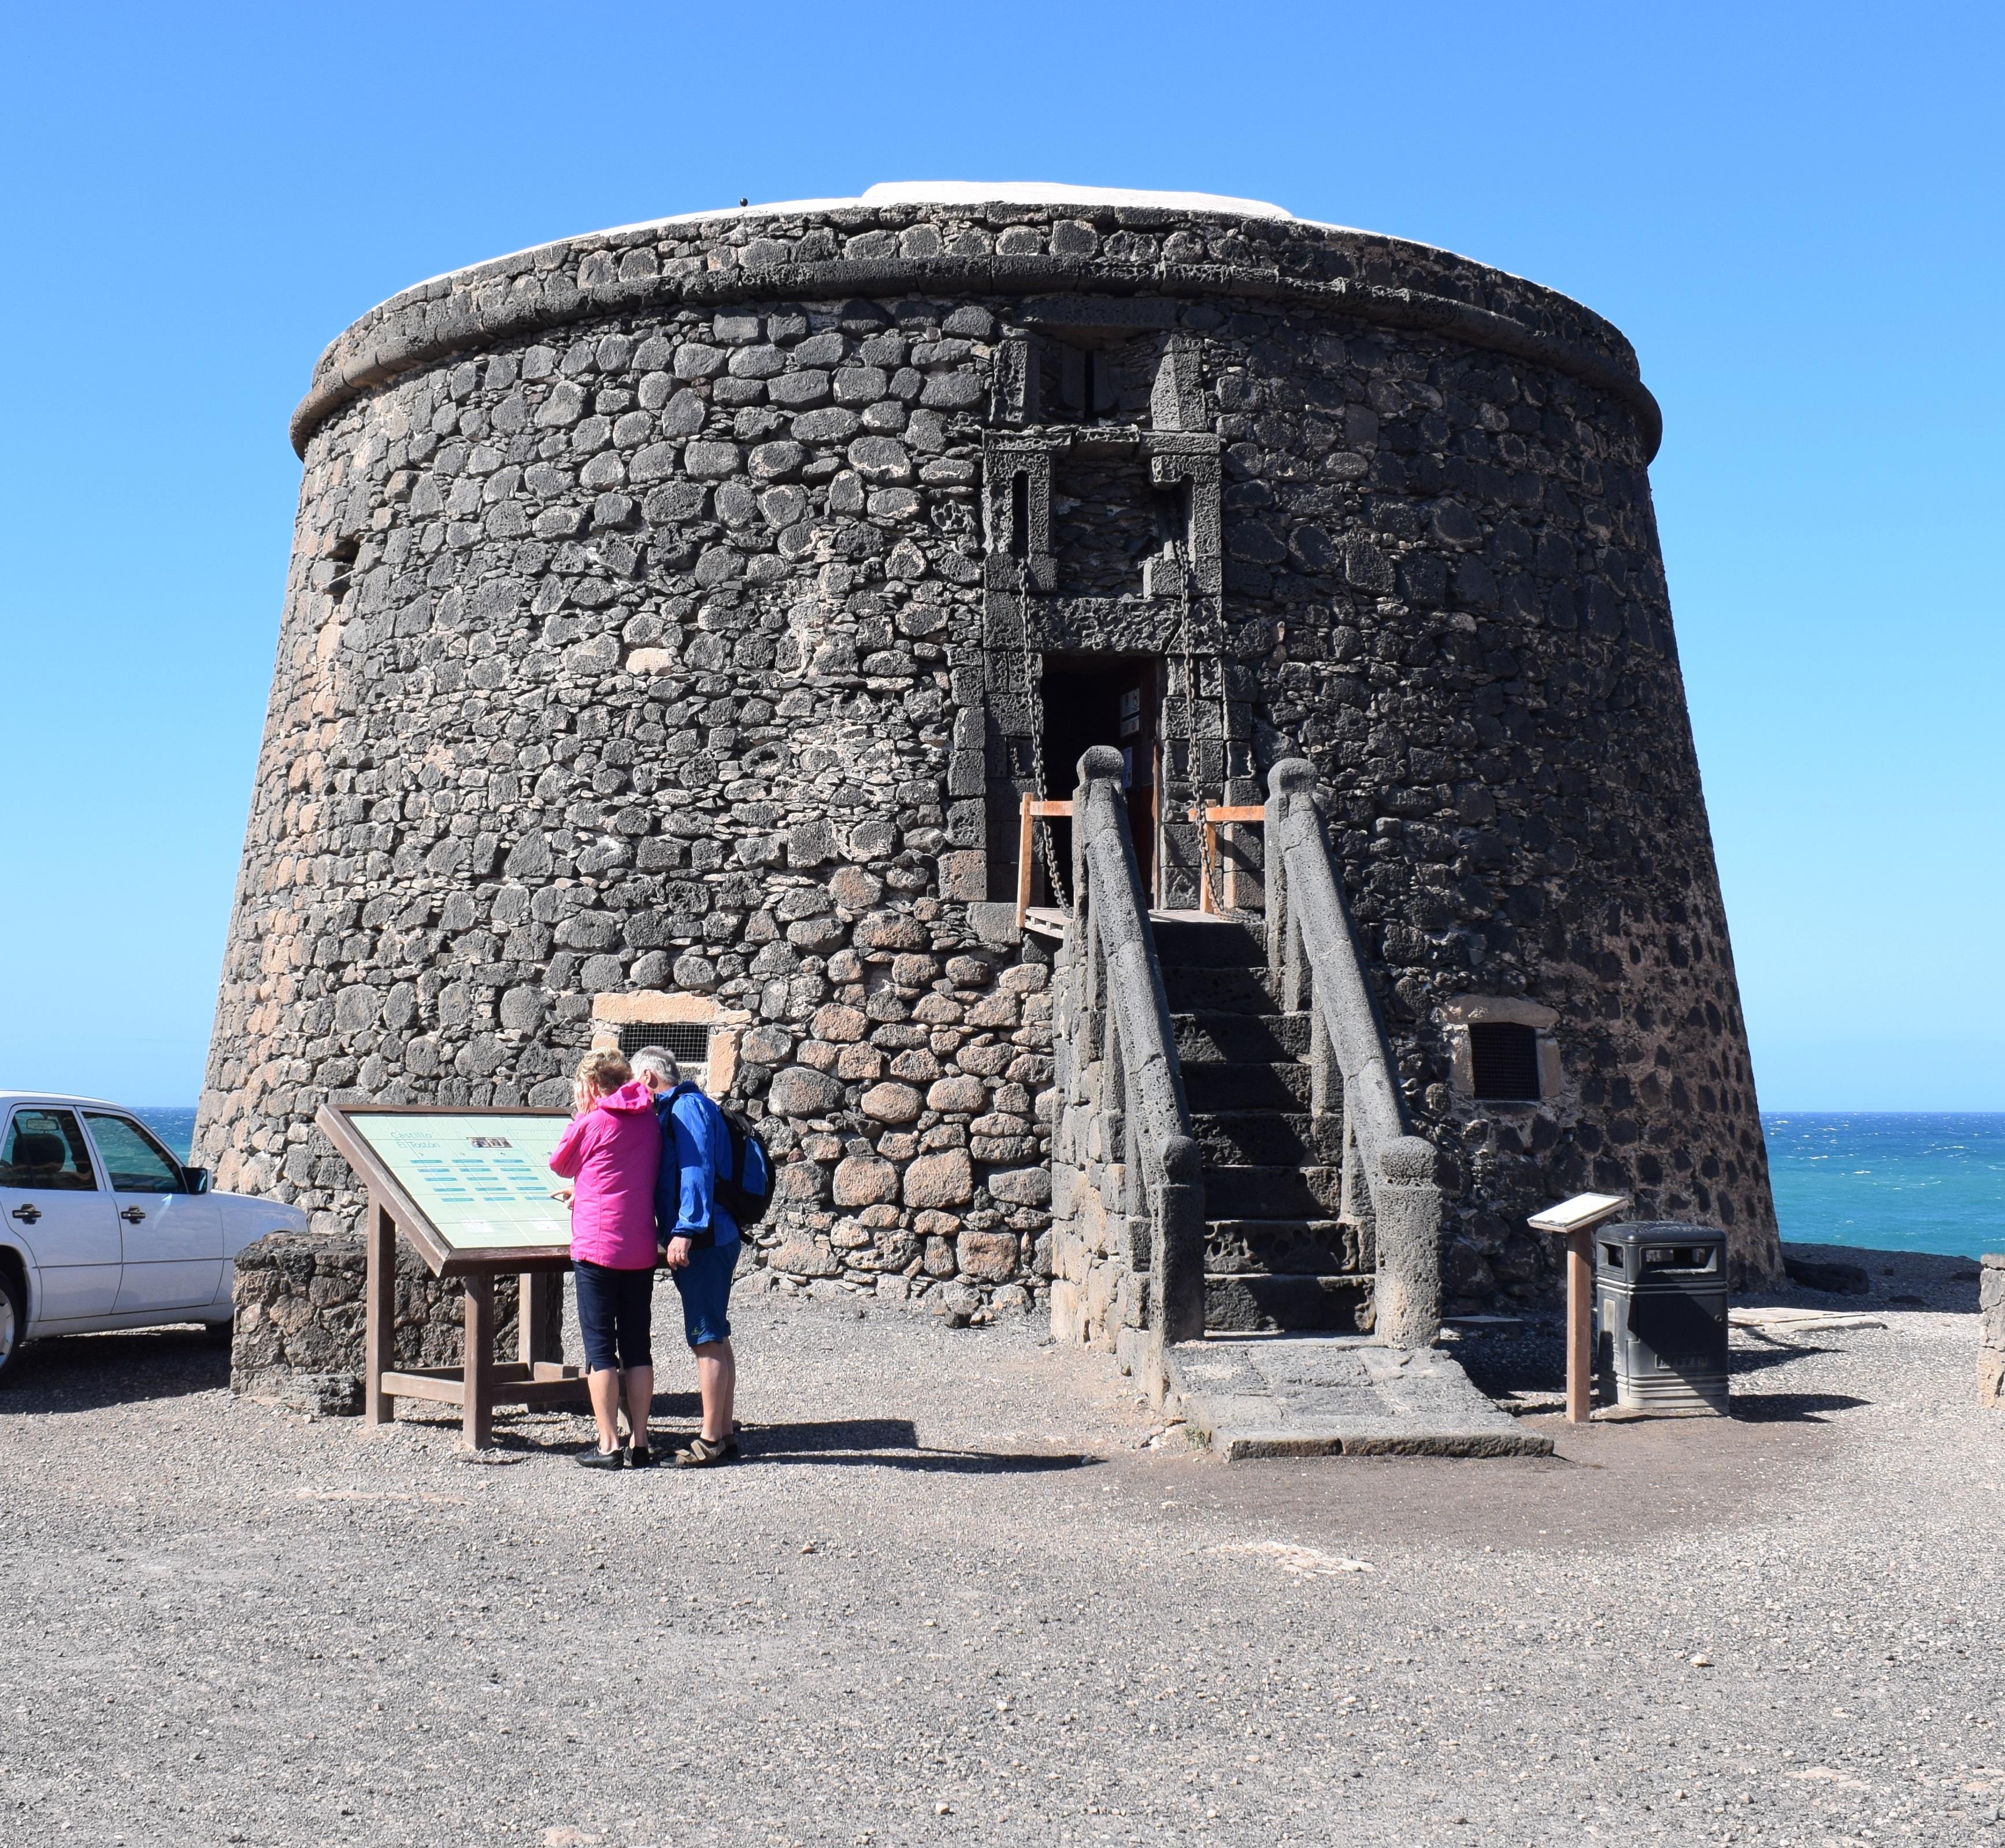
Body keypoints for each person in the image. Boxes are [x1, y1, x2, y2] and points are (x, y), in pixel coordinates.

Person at [548, 1050, 662, 1470]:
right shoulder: (649, 1120)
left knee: (599, 1348)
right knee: (637, 1345)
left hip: (597, 1246)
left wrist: (581, 1114)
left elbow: (560, 1163)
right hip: (638, 1246)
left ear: (592, 1087)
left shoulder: (592, 1121)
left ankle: (608, 1443)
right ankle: (641, 1441)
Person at [630, 1046, 740, 1468]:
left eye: (632, 1081)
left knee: (706, 1335)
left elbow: (695, 1170)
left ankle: (710, 1439)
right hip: (716, 1233)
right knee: (716, 1333)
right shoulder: (691, 1104)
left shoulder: (684, 1108)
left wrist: (684, 1230)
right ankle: (724, 1433)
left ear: (646, 1078)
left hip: (706, 1238)